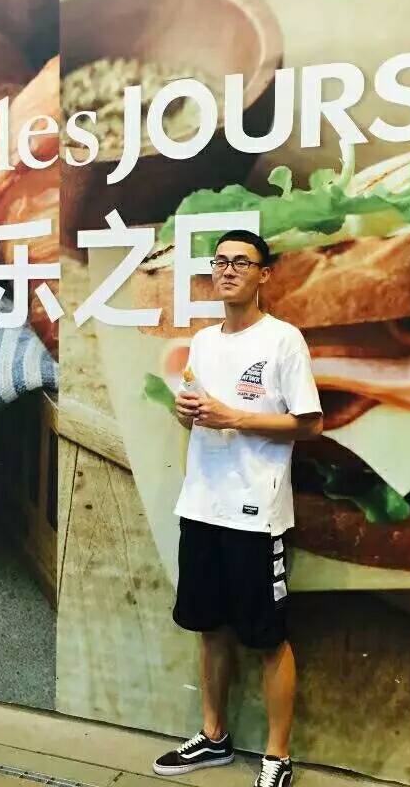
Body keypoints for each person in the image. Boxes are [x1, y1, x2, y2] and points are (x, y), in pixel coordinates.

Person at [153, 230, 323, 787]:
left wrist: (236, 418)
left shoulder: (283, 340)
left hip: (256, 511)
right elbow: (197, 414)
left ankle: (278, 756)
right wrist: (186, 413)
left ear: (263, 274)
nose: (227, 270)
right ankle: (214, 735)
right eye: (221, 261)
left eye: (241, 262)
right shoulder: (203, 342)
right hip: (202, 504)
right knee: (208, 628)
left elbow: (310, 424)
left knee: (268, 638)